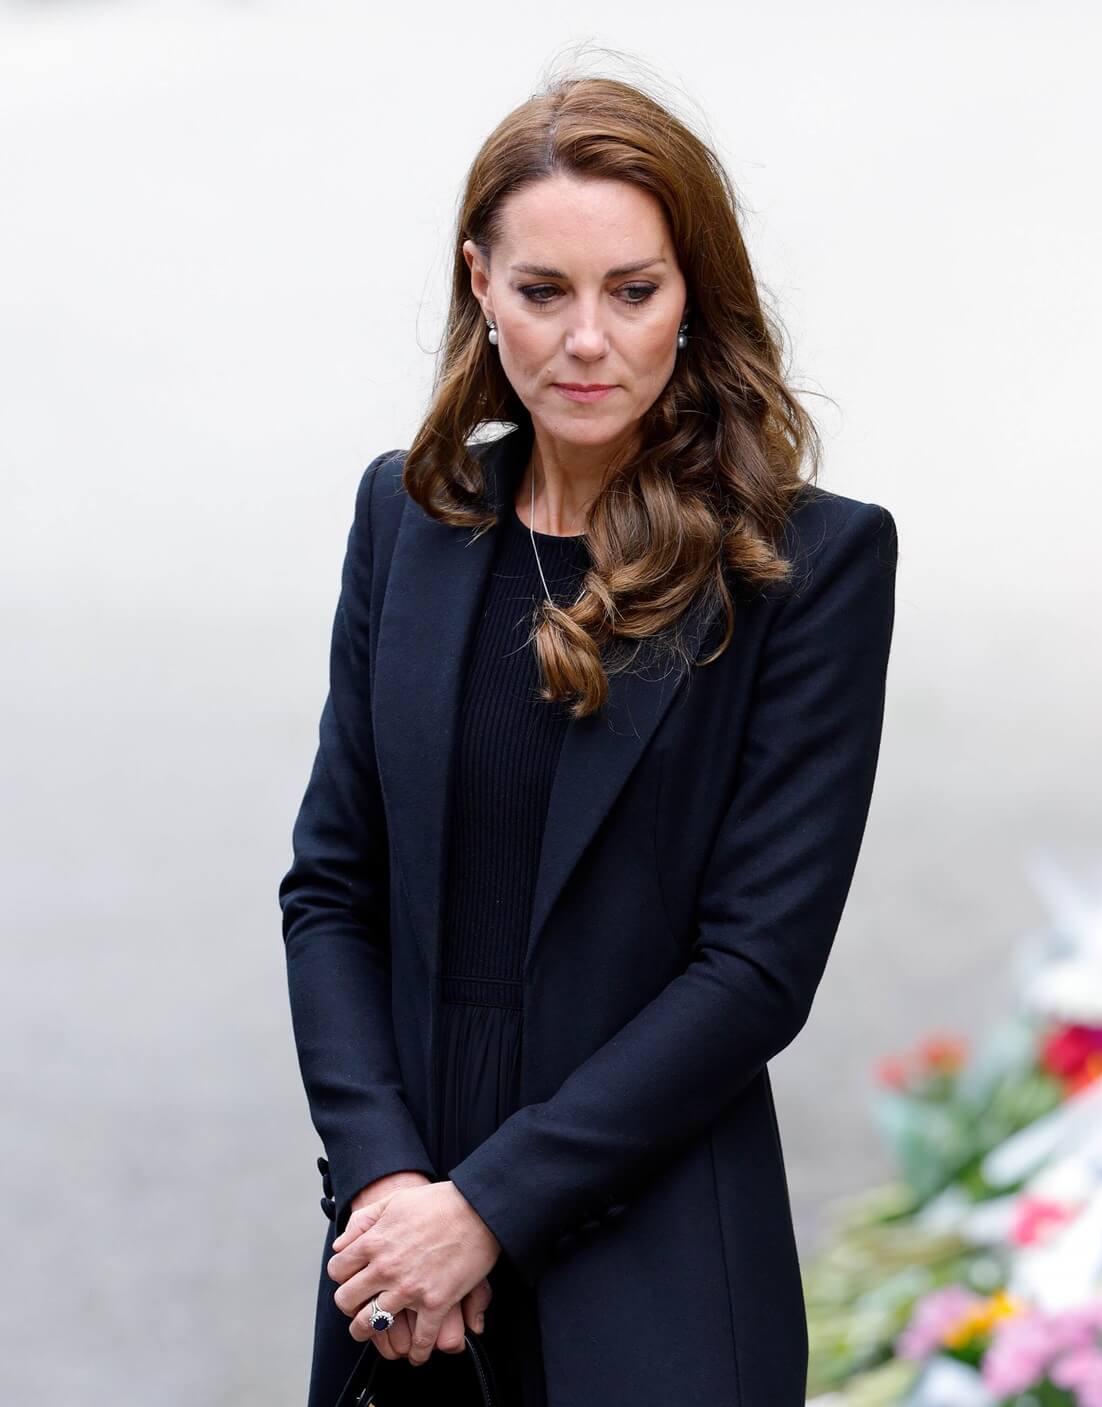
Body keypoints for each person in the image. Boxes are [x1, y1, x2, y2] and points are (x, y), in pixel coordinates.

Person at [279, 71, 900, 1407]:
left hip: (658, 1273)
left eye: (634, 290)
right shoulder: (407, 517)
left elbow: (753, 971)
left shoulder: (812, 564)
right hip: (401, 1275)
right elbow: (332, 885)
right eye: (543, 291)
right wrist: (387, 1181)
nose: (586, 341)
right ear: (480, 287)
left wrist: (483, 1212)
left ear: (695, 296)